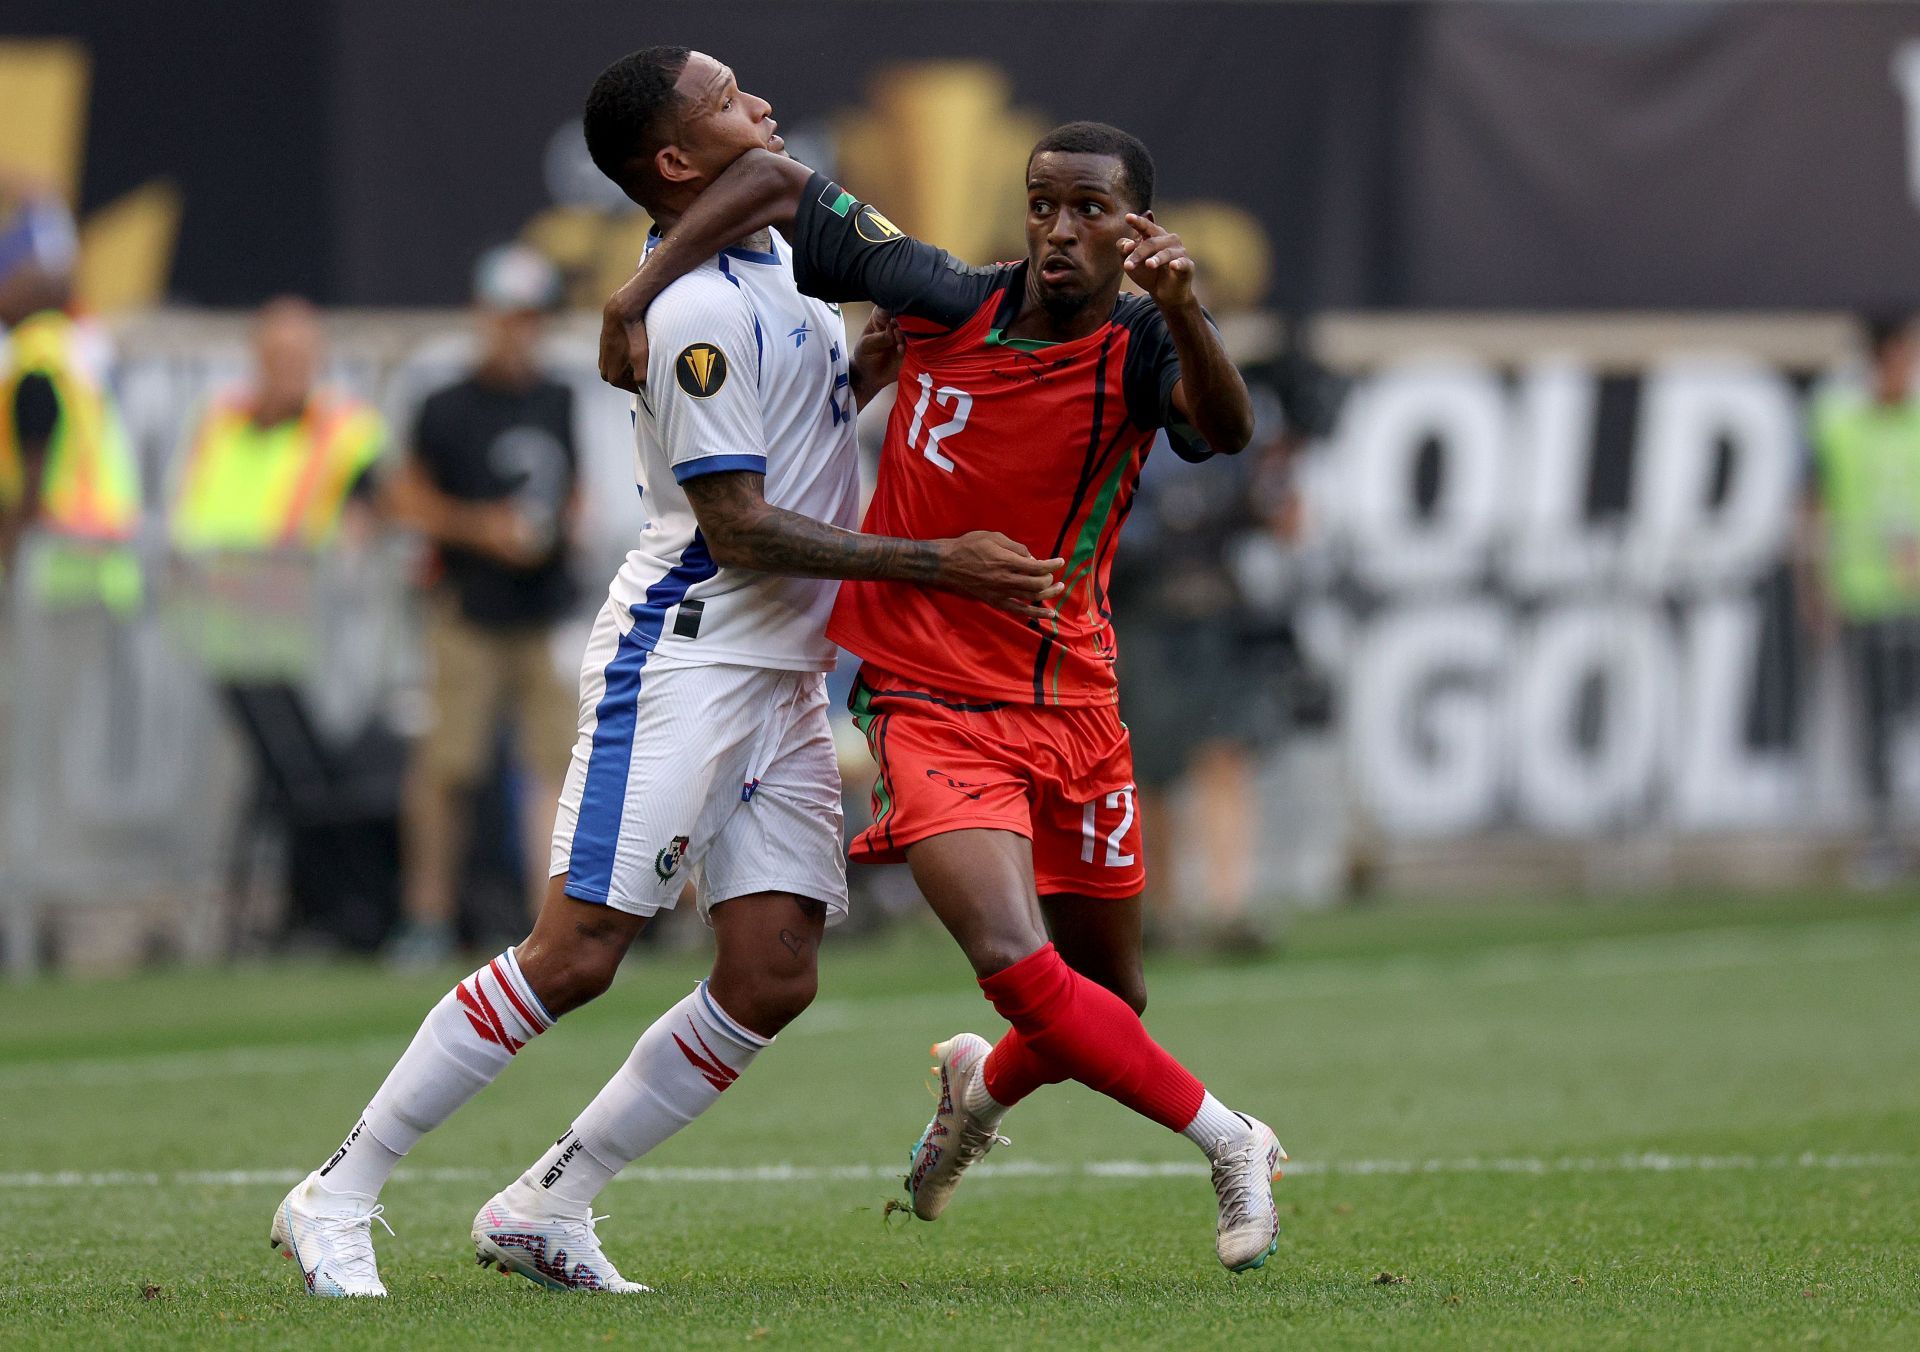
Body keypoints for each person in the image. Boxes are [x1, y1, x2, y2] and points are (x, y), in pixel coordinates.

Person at [268, 46, 1060, 1298]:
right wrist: (932, 562)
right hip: (689, 648)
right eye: (728, 95)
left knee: (773, 969)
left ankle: (547, 1202)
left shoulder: (773, 271)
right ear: (680, 159)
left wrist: (866, 372)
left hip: (784, 667)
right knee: (578, 948)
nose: (760, 101)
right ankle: (337, 1189)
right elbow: (736, 526)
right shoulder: (690, 305)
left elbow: (798, 416)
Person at [602, 113, 1285, 1270]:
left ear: (1137, 227)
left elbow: (1224, 431)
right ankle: (1231, 1138)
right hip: (925, 693)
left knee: (1106, 998)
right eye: (1043, 203)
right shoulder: (941, 294)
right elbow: (773, 178)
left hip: (1071, 698)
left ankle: (978, 1086)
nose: (1061, 230)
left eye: (1091, 210)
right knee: (1016, 958)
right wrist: (637, 295)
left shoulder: (1144, 342)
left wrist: (1183, 309)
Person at [383, 245, 583, 965]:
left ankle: (548, 925)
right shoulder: (447, 405)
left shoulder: (555, 398)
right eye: (511, 317)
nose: (521, 333)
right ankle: (427, 915)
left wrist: (556, 534)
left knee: (553, 769)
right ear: (486, 317)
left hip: (540, 608)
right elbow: (405, 498)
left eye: (532, 319)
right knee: (447, 768)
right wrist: (484, 530)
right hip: (468, 608)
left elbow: (573, 491)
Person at [167, 297, 388, 945]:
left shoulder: (345, 428)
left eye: (299, 356)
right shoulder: (222, 423)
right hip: (229, 637)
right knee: (285, 783)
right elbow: (195, 518)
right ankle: (308, 914)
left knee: (308, 780)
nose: (288, 368)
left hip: (313, 643)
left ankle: (334, 913)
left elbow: (364, 511)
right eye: (277, 355)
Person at [1801, 313, 1920, 884]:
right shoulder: (1839, 423)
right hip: (1866, 599)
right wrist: (1817, 588)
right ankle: (1882, 842)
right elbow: (1814, 504)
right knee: (1875, 730)